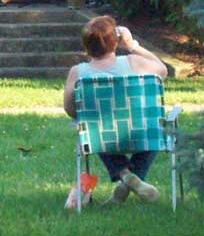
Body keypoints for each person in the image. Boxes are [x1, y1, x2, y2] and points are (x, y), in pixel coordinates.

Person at [63, 16, 169, 204]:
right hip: (141, 134)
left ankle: (125, 176)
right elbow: (163, 69)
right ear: (116, 41)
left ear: (86, 45)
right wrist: (133, 46)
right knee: (154, 126)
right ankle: (130, 181)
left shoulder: (78, 72)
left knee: (93, 128)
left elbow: (71, 110)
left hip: (103, 137)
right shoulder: (134, 63)